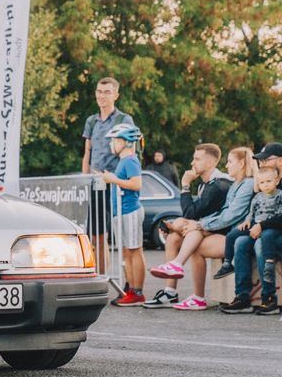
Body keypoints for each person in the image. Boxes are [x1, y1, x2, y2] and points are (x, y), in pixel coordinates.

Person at [146, 147, 255, 310]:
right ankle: (170, 291)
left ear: (241, 164)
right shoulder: (235, 185)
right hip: (221, 229)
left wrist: (199, 223)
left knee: (194, 240)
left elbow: (229, 216)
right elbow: (218, 213)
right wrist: (192, 224)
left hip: (235, 234)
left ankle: (194, 292)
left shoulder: (225, 185)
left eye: (230, 162)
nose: (227, 166)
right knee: (175, 237)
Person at [221, 142, 282, 315]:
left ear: (281, 161)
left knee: (260, 244)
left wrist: (262, 225)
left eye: (266, 160)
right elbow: (255, 210)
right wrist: (251, 222)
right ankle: (242, 297)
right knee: (239, 242)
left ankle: (269, 298)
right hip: (263, 228)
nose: (262, 164)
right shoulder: (262, 183)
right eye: (260, 162)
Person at [82, 77, 134, 273]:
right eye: (99, 92)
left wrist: (121, 178)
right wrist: (84, 178)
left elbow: (131, 152)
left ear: (116, 95)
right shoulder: (91, 120)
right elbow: (87, 152)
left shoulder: (123, 119)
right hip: (94, 184)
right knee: (95, 235)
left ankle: (117, 281)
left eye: (107, 92)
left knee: (116, 236)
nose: (102, 96)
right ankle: (97, 275)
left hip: (114, 184)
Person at [101, 124, 146, 305]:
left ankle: (137, 291)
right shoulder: (124, 161)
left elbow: (136, 184)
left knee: (135, 250)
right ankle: (130, 288)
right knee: (127, 251)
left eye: (114, 140)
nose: (112, 144)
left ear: (125, 142)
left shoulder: (130, 160)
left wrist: (113, 179)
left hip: (130, 210)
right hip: (122, 212)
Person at [214, 166, 282, 280]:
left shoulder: (281, 195)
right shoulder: (257, 197)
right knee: (232, 235)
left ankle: (269, 263)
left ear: (276, 181)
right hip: (255, 223)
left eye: (268, 181)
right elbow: (252, 212)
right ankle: (227, 263)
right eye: (262, 182)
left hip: (271, 225)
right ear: (258, 185)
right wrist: (246, 221)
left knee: (267, 236)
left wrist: (265, 223)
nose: (265, 185)